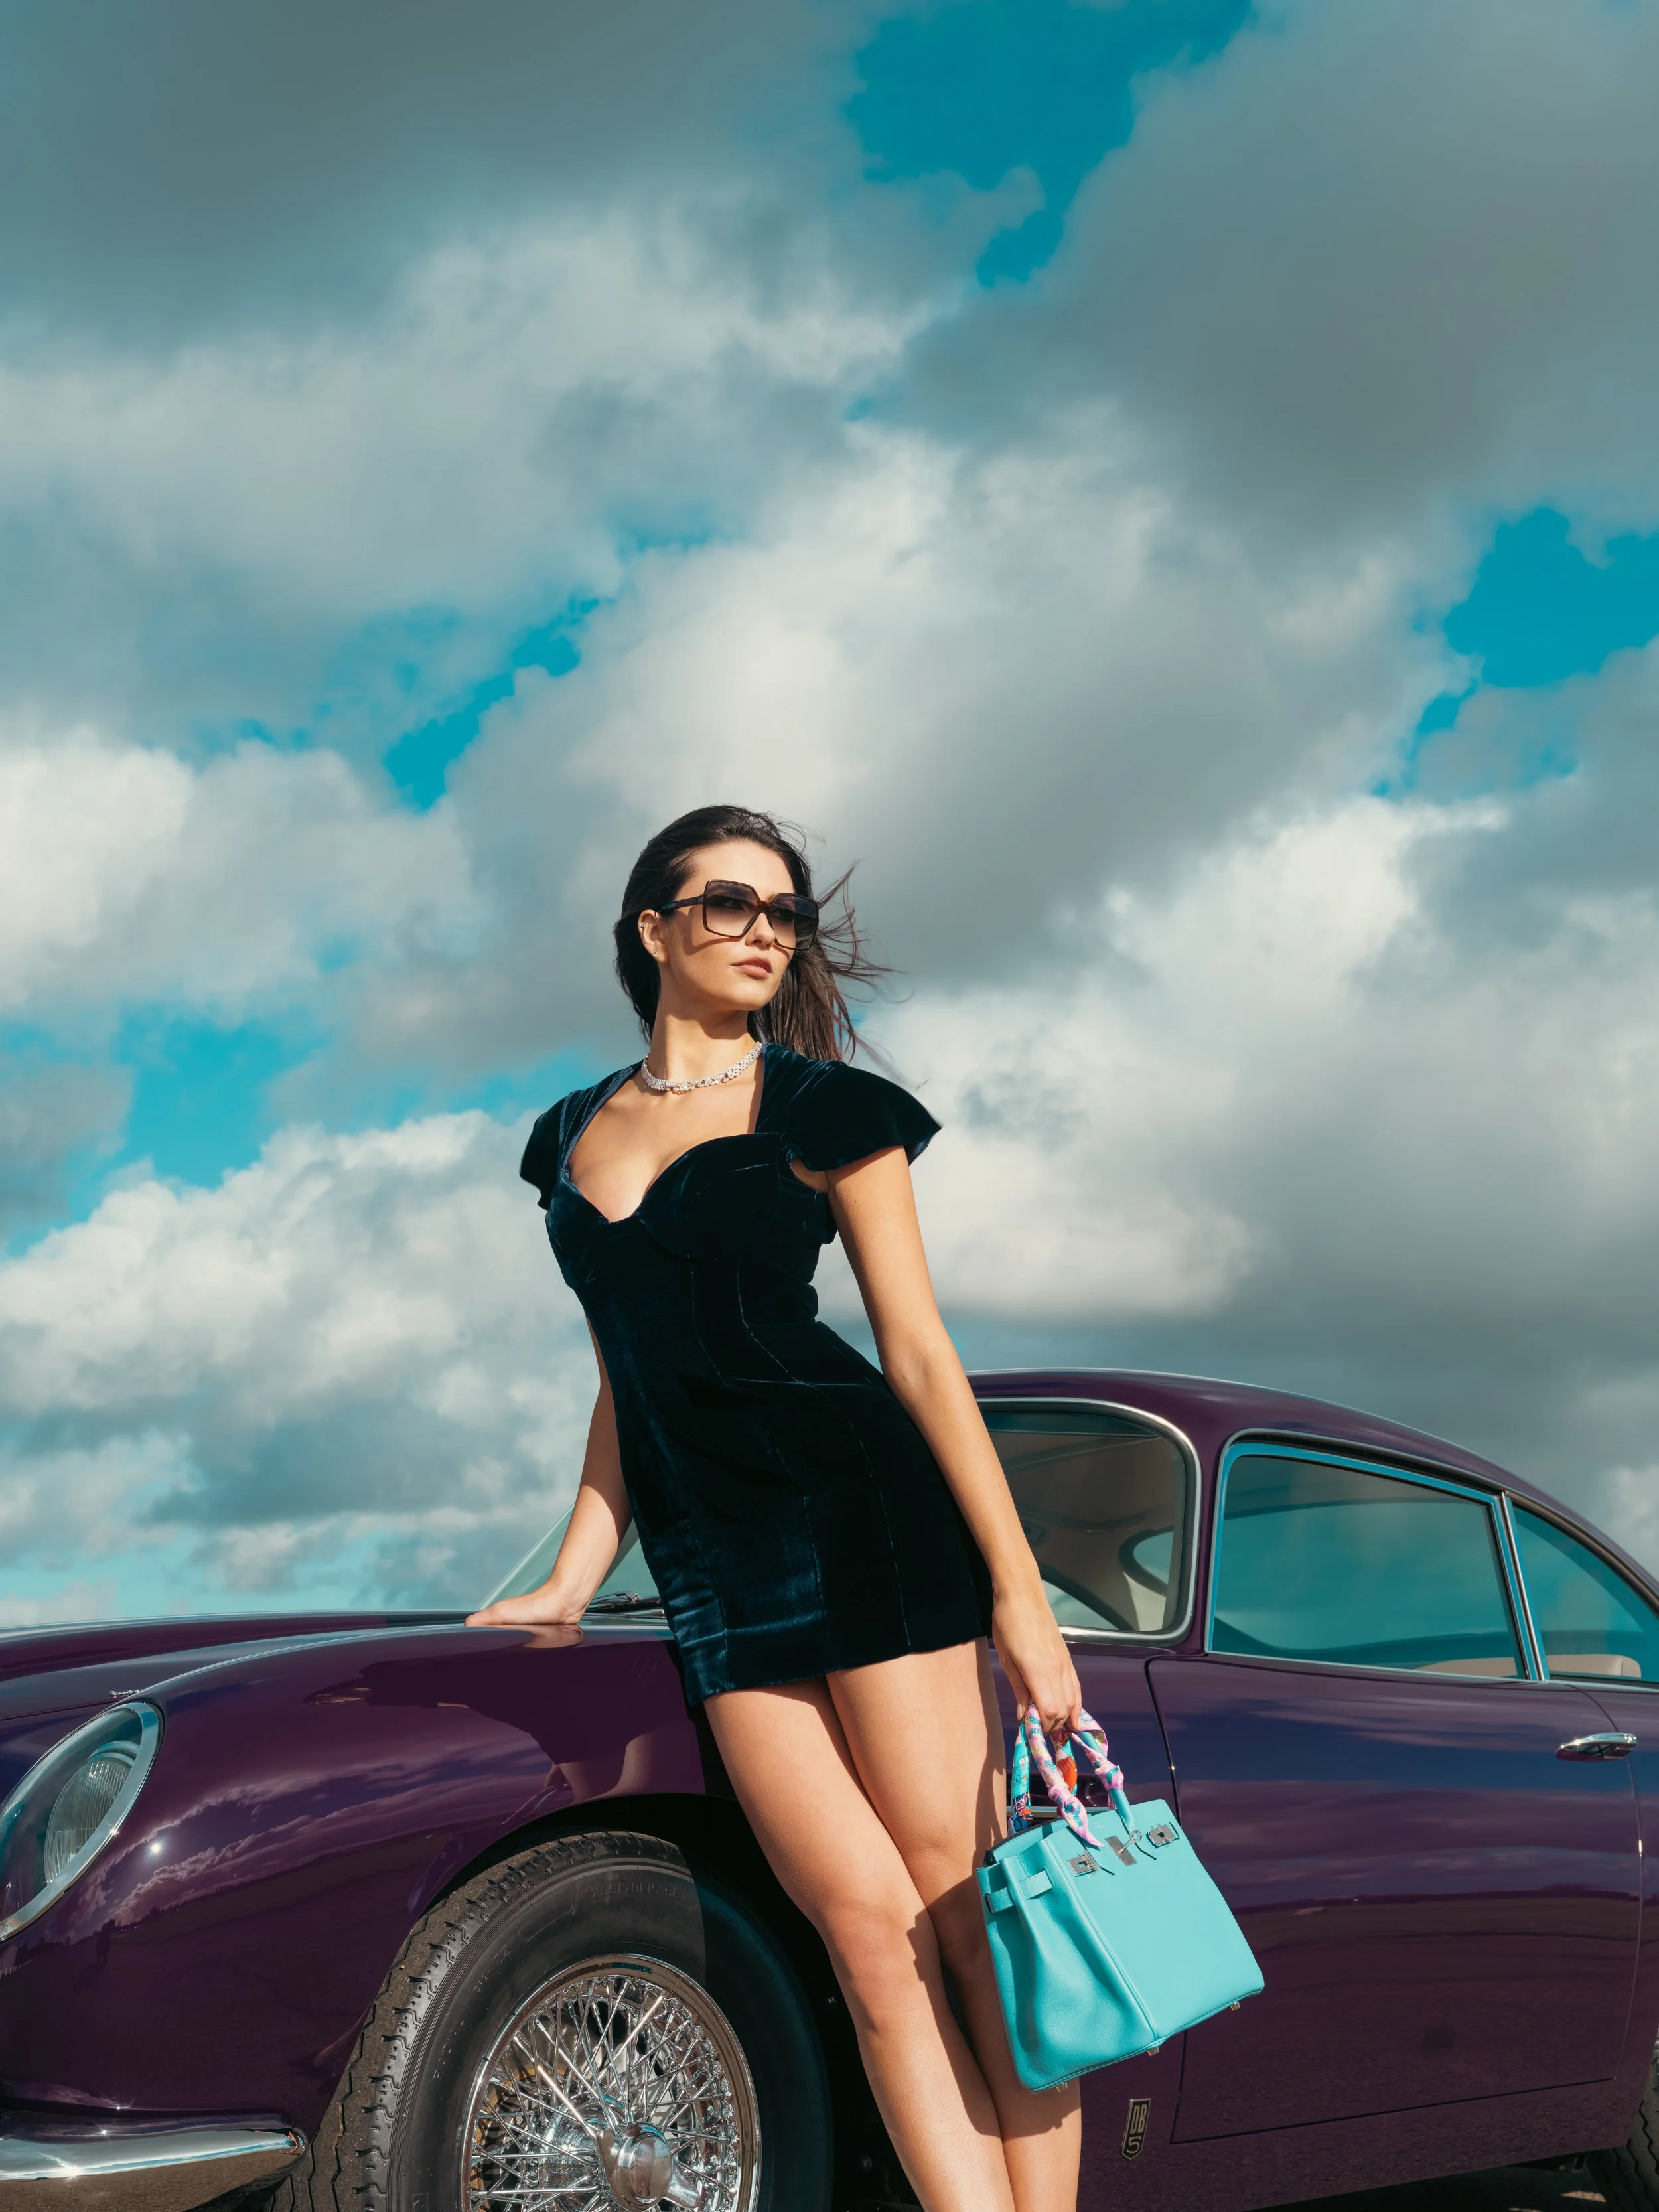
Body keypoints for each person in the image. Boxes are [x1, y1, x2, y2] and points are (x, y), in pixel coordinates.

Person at [469, 804, 1084, 2212]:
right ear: (652, 927)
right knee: (865, 1937)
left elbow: (919, 1356)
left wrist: (1022, 1601)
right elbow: (628, 1372)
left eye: (784, 912)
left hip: (867, 1522)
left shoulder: (821, 1107)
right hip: (714, 1575)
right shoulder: (564, 1137)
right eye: (729, 902)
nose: (762, 930)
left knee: (960, 1914)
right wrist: (574, 1574)